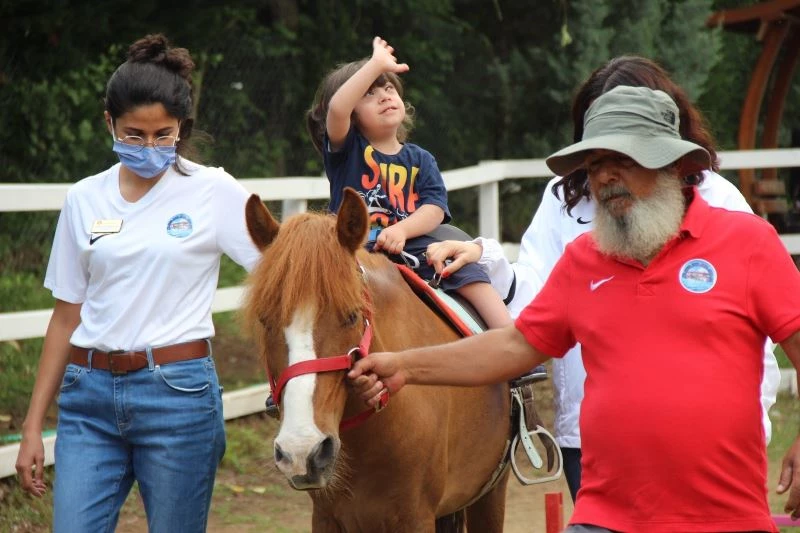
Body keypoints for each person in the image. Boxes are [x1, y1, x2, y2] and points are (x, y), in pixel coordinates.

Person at [349, 85, 800, 532]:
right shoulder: (584, 258)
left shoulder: (746, 242)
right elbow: (514, 347)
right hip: (604, 518)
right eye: (596, 163)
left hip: (724, 520)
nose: (604, 177)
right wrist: (404, 366)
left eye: (623, 159)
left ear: (674, 163)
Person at [14, 34, 261, 532]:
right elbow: (65, 317)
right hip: (88, 399)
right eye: (133, 135)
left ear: (181, 128)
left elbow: (283, 272)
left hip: (179, 395)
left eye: (162, 135)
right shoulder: (84, 199)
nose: (149, 147)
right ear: (109, 123)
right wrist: (32, 425)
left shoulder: (212, 191)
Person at [305, 36, 512, 329]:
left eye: (389, 88)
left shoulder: (421, 159)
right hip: (354, 251)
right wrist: (376, 64)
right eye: (368, 93)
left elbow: (434, 208)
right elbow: (337, 109)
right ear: (352, 113)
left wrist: (402, 230)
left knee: (470, 275)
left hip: (415, 248)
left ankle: (514, 347)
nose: (385, 96)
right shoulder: (346, 150)